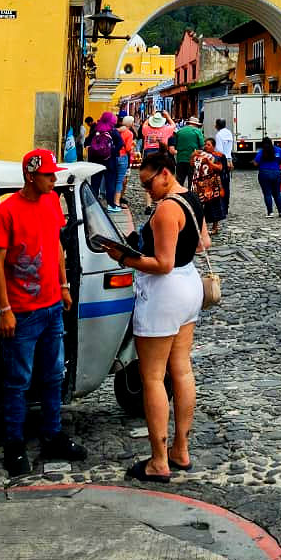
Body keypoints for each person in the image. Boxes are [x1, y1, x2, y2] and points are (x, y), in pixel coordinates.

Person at [95, 149, 205, 481]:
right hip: (190, 286)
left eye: (149, 183)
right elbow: (203, 244)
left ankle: (158, 461)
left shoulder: (166, 210)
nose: (148, 191)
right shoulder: (192, 200)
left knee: (153, 378)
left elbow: (162, 264)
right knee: (182, 371)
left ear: (165, 173)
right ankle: (180, 450)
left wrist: (123, 258)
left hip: (164, 291)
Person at [0, 149, 87, 477]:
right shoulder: (7, 211)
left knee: (53, 375)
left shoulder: (50, 203)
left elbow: (57, 247)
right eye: (48, 174)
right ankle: (14, 444)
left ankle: (52, 435)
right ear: (31, 176)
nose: (54, 179)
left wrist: (63, 286)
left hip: (51, 307)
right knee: (17, 381)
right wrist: (5, 309)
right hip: (23, 311)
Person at [192, 138, 226, 235]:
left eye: (208, 144)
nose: (206, 146)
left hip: (212, 184)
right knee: (200, 205)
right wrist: (193, 156)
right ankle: (202, 227)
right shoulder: (200, 155)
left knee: (214, 205)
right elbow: (192, 164)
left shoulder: (218, 156)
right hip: (200, 185)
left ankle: (215, 228)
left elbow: (220, 168)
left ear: (213, 146)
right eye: (205, 144)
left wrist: (209, 162)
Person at [254, 136, 281, 217]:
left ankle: (270, 212)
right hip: (276, 173)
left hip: (264, 173)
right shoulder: (278, 150)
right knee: (277, 193)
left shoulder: (261, 152)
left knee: (267, 193)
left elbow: (256, 163)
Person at [173, 116, 205, 190]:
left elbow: (175, 145)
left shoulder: (180, 131)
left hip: (180, 159)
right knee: (192, 181)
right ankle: (190, 196)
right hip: (193, 160)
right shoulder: (197, 131)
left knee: (180, 180)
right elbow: (202, 145)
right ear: (195, 124)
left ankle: (179, 196)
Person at [214, 117, 234, 214]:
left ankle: (221, 207)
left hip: (222, 160)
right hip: (229, 159)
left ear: (217, 125)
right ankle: (226, 206)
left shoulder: (219, 135)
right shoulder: (228, 133)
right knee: (227, 184)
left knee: (220, 183)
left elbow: (219, 150)